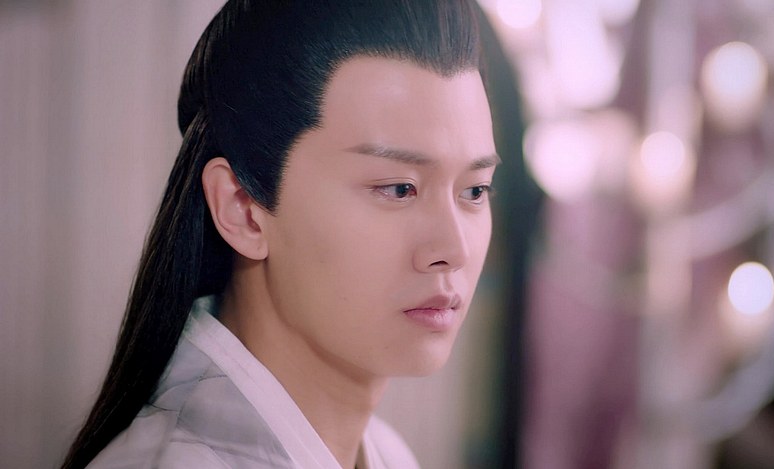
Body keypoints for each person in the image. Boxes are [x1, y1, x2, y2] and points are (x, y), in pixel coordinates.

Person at [60, 1, 498, 468]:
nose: (454, 250)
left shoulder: (387, 452)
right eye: (398, 188)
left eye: (474, 190)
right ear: (242, 208)